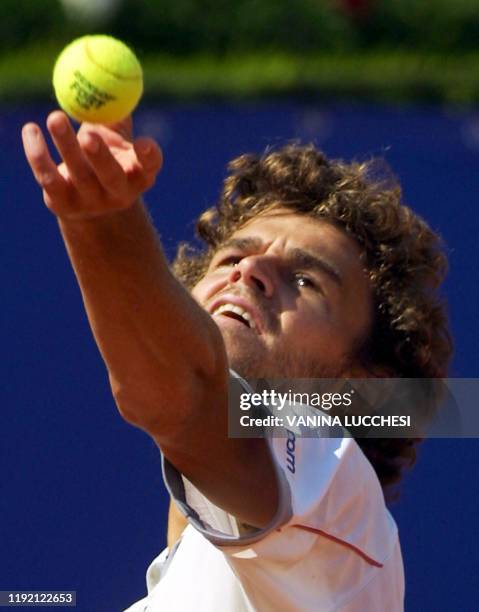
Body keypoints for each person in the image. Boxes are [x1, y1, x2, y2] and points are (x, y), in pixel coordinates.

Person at [22, 111, 452, 611]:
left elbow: (189, 394)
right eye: (229, 259)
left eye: (307, 282)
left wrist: (101, 219)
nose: (249, 270)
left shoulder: (338, 496)